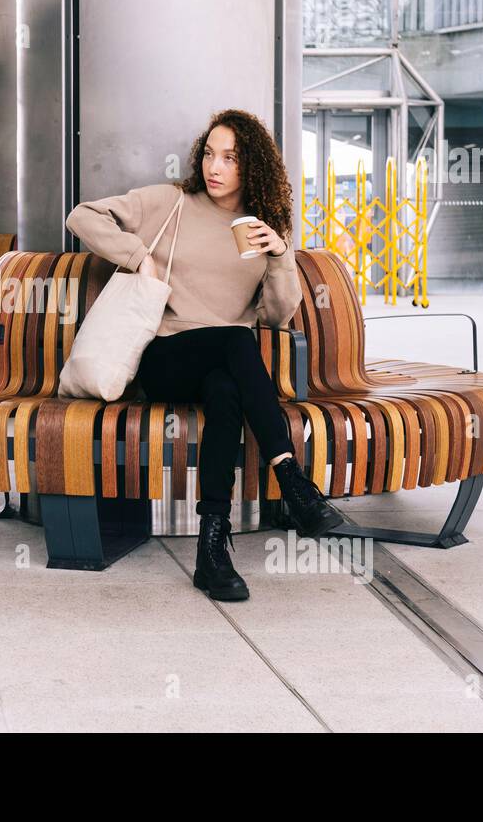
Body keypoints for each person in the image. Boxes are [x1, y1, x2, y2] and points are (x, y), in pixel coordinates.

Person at [64, 108, 343, 602]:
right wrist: (138, 255)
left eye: (230, 158)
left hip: (224, 369)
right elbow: (81, 216)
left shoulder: (262, 231)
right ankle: (291, 478)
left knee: (225, 388)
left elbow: (278, 316)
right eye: (210, 154)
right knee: (237, 340)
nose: (215, 167)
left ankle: (211, 550)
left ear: (251, 166)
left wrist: (281, 257)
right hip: (165, 358)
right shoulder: (170, 203)